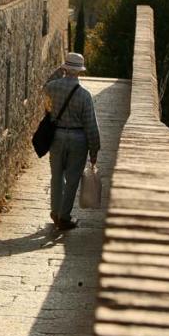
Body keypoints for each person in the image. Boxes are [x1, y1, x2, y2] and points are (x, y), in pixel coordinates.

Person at [44, 53, 100, 230]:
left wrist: (58, 70)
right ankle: (64, 216)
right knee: (73, 179)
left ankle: (54, 211)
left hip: (57, 136)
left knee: (56, 176)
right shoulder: (84, 96)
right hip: (78, 139)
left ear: (65, 69)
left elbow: (44, 88)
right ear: (80, 72)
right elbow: (91, 124)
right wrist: (94, 150)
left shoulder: (52, 87)